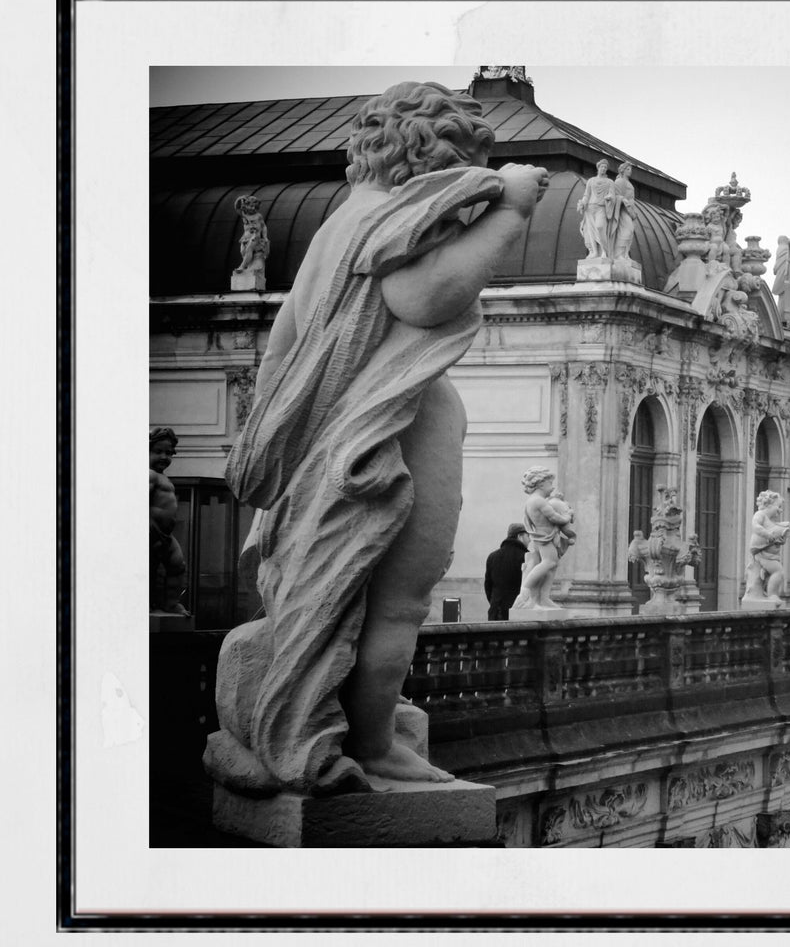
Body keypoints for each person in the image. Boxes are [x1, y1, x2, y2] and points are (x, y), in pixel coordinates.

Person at [206, 80, 549, 796]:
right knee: (395, 603)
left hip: (337, 445)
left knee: (352, 601)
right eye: (473, 157)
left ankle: (352, 728)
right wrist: (511, 208)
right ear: (442, 151)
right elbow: (425, 299)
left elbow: (283, 347)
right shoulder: (393, 218)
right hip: (384, 439)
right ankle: (372, 747)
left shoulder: (338, 224)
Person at [513, 468, 577, 610]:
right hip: (544, 537)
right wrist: (567, 515)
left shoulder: (536, 500)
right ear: (541, 484)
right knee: (549, 562)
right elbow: (555, 517)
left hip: (544, 536)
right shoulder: (538, 501)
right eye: (550, 483)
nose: (552, 487)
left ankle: (543, 598)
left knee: (551, 566)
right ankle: (525, 592)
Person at [149, 428, 190, 615]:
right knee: (148, 569)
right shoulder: (148, 474)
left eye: (168, 452)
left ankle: (171, 603)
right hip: (150, 530)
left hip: (165, 534)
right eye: (157, 451)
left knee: (177, 565)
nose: (164, 457)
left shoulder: (162, 477)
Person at [743, 490, 790, 602]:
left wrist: (783, 537)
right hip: (762, 554)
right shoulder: (760, 515)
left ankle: (767, 591)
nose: (781, 510)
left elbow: (776, 535)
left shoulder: (771, 522)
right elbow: (755, 526)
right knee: (778, 572)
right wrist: (768, 535)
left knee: (774, 572)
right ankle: (772, 595)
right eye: (779, 506)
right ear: (769, 504)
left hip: (770, 555)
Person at [484, 523, 530, 621]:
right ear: (520, 536)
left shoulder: (492, 556)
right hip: (518, 613)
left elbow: (488, 586)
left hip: (496, 611)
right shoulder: (527, 557)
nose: (530, 539)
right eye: (528, 536)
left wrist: (495, 602)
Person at [576, 158, 614, 258]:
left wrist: (610, 197)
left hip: (601, 208)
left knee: (600, 227)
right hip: (590, 208)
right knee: (591, 231)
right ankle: (595, 252)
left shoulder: (610, 182)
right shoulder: (591, 181)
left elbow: (612, 194)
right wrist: (583, 203)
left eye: (605, 167)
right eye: (602, 167)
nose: (604, 169)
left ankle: (604, 251)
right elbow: (587, 195)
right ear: (598, 168)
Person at [609, 161, 637, 260]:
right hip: (622, 210)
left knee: (630, 231)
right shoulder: (620, 181)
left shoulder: (628, 182)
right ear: (623, 170)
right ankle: (618, 254)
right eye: (628, 169)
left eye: (630, 170)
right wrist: (623, 200)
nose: (630, 172)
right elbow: (615, 195)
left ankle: (625, 254)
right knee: (627, 230)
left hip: (629, 210)